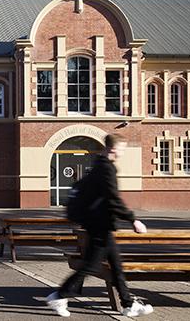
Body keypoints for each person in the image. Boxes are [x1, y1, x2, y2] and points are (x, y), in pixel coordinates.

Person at [46, 133, 153, 318]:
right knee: (91, 266)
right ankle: (60, 295)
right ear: (113, 148)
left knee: (116, 266)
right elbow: (113, 199)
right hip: (99, 226)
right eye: (122, 149)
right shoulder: (105, 169)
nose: (122, 153)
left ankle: (128, 304)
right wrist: (133, 219)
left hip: (101, 225)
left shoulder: (98, 166)